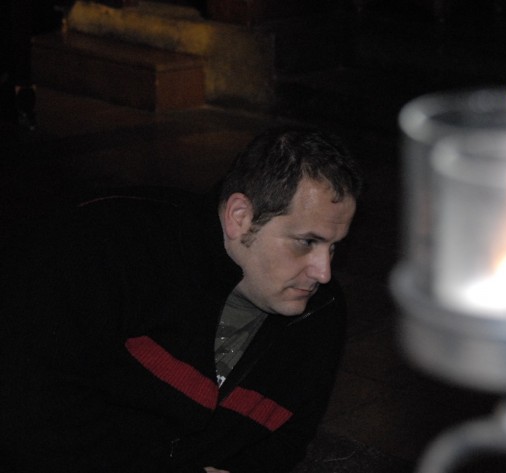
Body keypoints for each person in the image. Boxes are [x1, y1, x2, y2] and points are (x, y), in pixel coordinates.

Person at [0, 127, 363, 473]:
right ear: (240, 216)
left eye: (334, 247)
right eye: (306, 242)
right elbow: (33, 415)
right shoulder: (103, 248)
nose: (324, 272)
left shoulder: (321, 315)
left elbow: (283, 444)